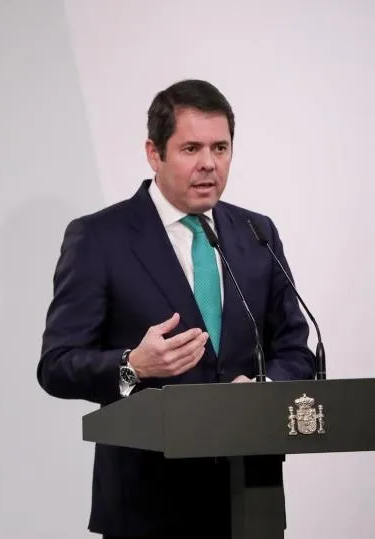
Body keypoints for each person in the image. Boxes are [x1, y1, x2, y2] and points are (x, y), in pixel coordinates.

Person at [37, 79, 315, 538]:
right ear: (154, 153)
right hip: (148, 505)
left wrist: (265, 388)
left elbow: (296, 351)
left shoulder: (256, 232)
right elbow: (57, 365)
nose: (209, 163)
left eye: (220, 147)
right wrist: (132, 365)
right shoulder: (100, 239)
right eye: (191, 148)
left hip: (250, 499)